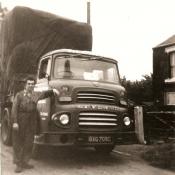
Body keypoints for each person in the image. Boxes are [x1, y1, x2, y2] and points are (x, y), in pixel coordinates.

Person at [12, 76, 59, 173]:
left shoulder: (35, 95)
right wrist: (15, 122)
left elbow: (44, 94)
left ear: (34, 85)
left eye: (32, 84)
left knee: (29, 143)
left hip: (31, 122)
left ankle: (25, 162)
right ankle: (18, 164)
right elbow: (14, 109)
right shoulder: (19, 95)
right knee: (19, 143)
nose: (30, 85)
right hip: (21, 120)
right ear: (25, 85)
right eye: (29, 84)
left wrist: (53, 91)